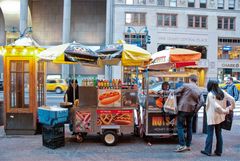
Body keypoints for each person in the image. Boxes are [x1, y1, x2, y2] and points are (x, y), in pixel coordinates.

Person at [201, 80, 235, 156]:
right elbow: (232, 99)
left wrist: (225, 111)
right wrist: (231, 108)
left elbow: (216, 106)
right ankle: (219, 151)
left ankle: (207, 151)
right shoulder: (222, 92)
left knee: (210, 134)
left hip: (212, 117)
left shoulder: (210, 94)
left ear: (209, 85)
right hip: (220, 117)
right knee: (219, 134)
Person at [174, 74, 204, 152]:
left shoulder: (186, 85)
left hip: (183, 109)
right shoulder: (199, 89)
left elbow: (175, 91)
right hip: (192, 110)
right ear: (196, 80)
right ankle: (188, 145)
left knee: (180, 126)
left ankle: (182, 145)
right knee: (189, 128)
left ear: (190, 79)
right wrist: (196, 110)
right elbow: (202, 101)